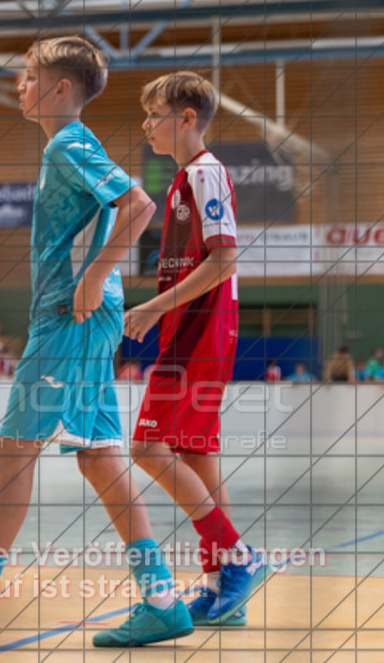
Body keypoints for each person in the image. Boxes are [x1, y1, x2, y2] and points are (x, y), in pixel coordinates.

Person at [0, 35, 193, 648]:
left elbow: (139, 204)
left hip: (69, 316)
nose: (19, 85)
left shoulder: (69, 142)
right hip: (81, 317)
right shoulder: (69, 146)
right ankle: (162, 599)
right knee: (99, 455)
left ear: (61, 89)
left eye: (29, 76)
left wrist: (93, 275)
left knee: (12, 454)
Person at [123, 70, 270, 629]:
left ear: (187, 118)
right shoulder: (182, 180)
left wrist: (156, 308)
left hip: (198, 329)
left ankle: (237, 558)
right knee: (199, 457)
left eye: (154, 112)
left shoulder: (205, 173)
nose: (145, 124)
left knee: (147, 447)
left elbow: (224, 259)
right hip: (196, 327)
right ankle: (219, 592)